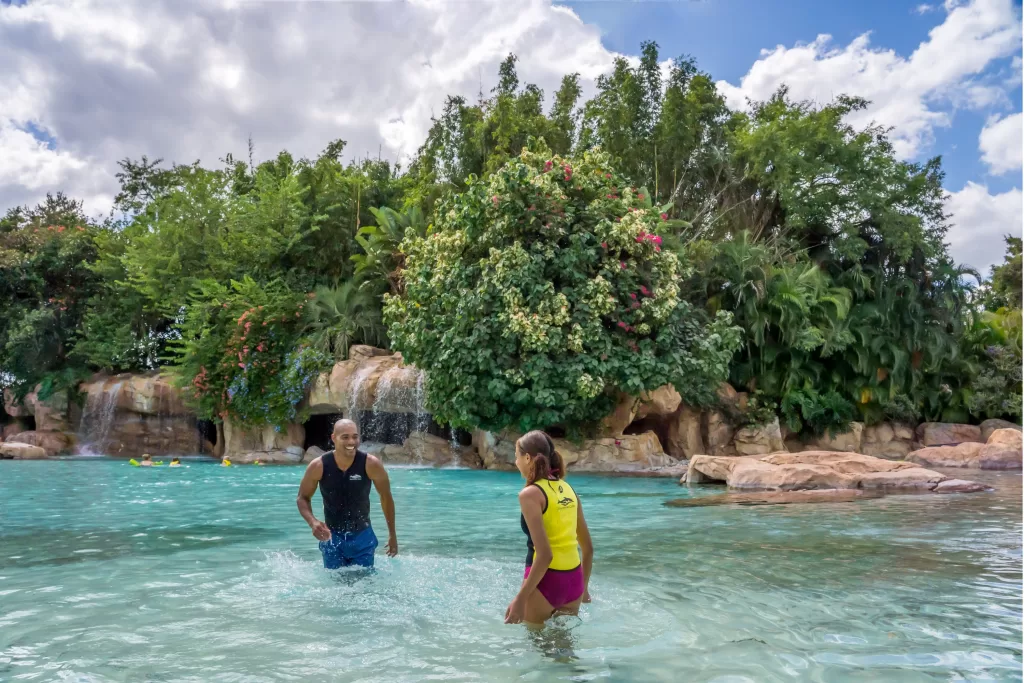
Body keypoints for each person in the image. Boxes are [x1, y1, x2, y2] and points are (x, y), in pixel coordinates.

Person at [505, 430, 593, 627]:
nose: (516, 461)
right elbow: (588, 549)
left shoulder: (530, 494)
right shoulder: (570, 490)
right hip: (574, 582)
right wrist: (584, 588)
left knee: (536, 650)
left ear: (527, 457)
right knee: (564, 651)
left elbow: (545, 555)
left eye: (517, 455)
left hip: (546, 582)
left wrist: (520, 599)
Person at [296, 419, 398, 569]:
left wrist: (392, 534)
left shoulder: (371, 464)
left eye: (355, 436)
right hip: (332, 537)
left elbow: (386, 497)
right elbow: (302, 498)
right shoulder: (319, 466)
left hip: (363, 536)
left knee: (364, 585)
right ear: (333, 438)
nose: (351, 441)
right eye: (345, 437)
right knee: (335, 586)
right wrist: (313, 522)